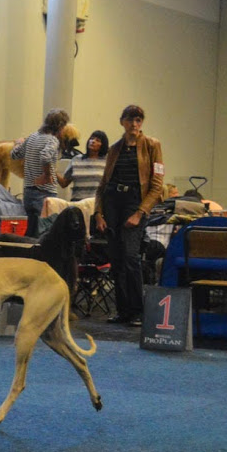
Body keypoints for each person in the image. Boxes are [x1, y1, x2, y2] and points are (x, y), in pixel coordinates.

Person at [94, 105, 163, 327]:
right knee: (116, 258)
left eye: (138, 120)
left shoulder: (152, 145)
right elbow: (103, 184)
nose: (134, 124)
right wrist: (98, 213)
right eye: (130, 120)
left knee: (131, 256)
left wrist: (140, 212)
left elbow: (157, 186)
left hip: (136, 202)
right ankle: (123, 311)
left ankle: (138, 311)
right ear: (122, 122)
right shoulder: (114, 148)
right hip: (113, 201)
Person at [11, 108, 70, 237]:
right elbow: (45, 156)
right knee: (45, 232)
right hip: (45, 193)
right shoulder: (52, 140)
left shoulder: (32, 137)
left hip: (28, 192)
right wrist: (47, 175)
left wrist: (17, 143)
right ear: (60, 126)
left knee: (31, 231)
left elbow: (15, 154)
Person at [57, 130, 109, 202]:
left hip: (96, 203)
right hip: (77, 202)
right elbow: (64, 183)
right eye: (91, 138)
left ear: (103, 145)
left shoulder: (107, 161)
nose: (93, 141)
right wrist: (52, 170)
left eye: (98, 140)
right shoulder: (76, 159)